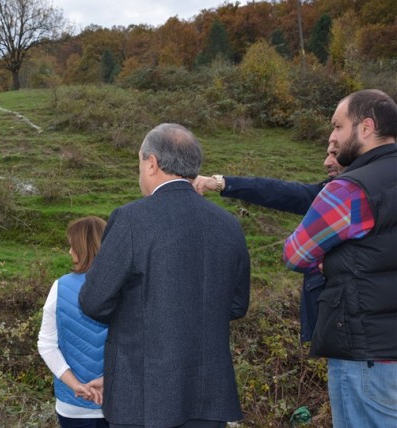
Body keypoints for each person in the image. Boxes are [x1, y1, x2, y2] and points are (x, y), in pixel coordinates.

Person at [79, 123, 251, 428]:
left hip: (142, 397)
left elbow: (94, 301)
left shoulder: (131, 219)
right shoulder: (229, 225)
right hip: (208, 396)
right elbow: (237, 306)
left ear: (152, 162)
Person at [283, 89, 397, 427]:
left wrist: (329, 258)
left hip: (365, 354)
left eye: (337, 126)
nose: (332, 136)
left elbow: (296, 253)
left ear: (365, 128)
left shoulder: (350, 189)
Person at [192, 142, 344, 343]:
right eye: (327, 154)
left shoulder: (360, 193)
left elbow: (295, 255)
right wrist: (222, 183)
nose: (327, 162)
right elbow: (283, 192)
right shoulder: (333, 192)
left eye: (335, 154)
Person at [38, 216, 109, 428]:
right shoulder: (130, 287)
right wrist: (111, 381)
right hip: (122, 404)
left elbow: (46, 345)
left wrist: (75, 385)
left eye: (72, 246)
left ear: (81, 248)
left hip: (73, 405)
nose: (69, 252)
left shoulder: (60, 287)